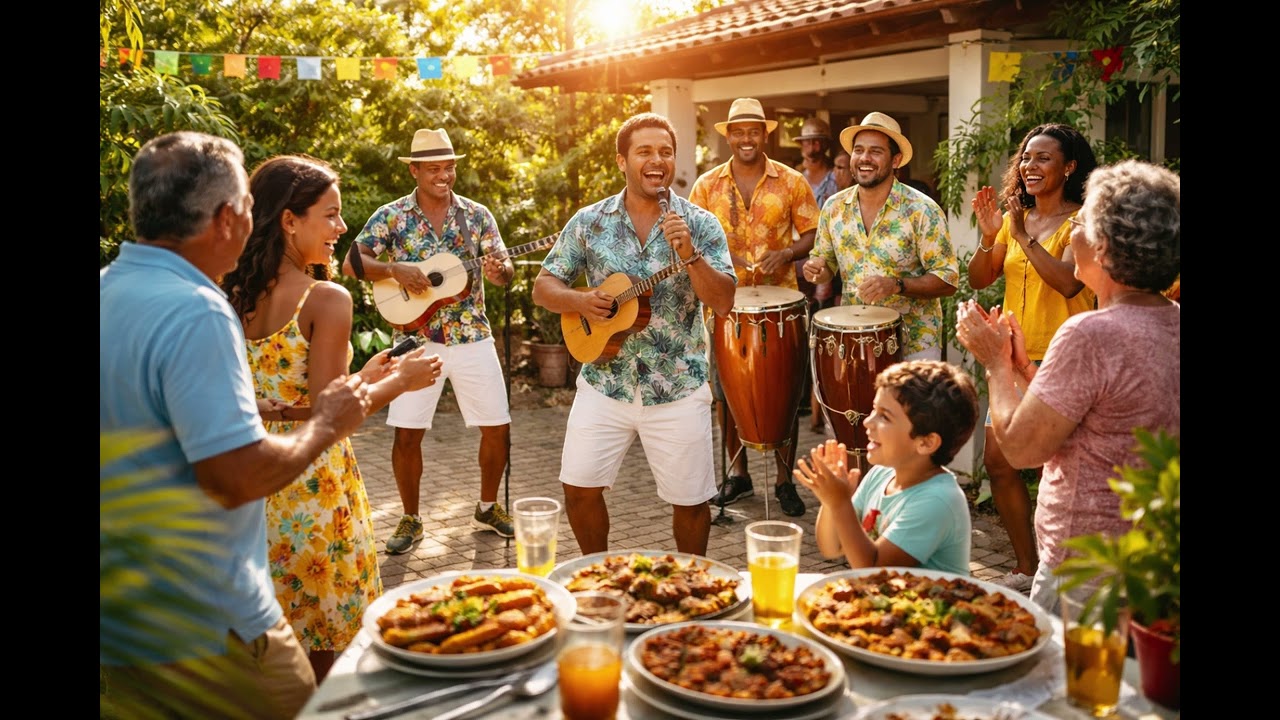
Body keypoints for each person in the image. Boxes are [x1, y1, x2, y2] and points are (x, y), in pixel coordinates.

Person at [100, 132, 373, 719]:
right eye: (249, 206)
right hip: (206, 615)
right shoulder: (197, 309)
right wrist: (327, 422)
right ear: (228, 219)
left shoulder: (108, 291)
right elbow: (237, 476)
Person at [220, 155, 444, 681]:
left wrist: (360, 375)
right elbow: (330, 417)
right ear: (289, 220)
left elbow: (284, 399)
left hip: (249, 483)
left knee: (265, 656)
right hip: (312, 488)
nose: (342, 228)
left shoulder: (230, 291)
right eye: (332, 215)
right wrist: (398, 382)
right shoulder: (326, 298)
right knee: (327, 658)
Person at [955, 158, 1180, 614]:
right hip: (1152, 560)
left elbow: (1020, 449)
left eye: (1082, 222)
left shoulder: (1090, 335)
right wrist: (1025, 373)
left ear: (1102, 247)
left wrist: (996, 363)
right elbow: (1100, 416)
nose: (1072, 230)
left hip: (1087, 569)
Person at [532, 112, 736, 555]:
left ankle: (691, 587)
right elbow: (544, 285)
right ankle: (597, 572)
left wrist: (691, 255)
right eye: (644, 151)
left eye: (665, 151)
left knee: (691, 501)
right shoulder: (589, 221)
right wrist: (580, 301)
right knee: (578, 489)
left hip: (677, 385)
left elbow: (723, 301)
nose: (656, 160)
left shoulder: (699, 224)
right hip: (606, 381)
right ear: (622, 160)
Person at [343, 128, 517, 554]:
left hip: (472, 333)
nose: (444, 175)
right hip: (416, 339)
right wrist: (394, 270)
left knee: (498, 427)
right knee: (407, 433)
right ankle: (410, 518)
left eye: (449, 167)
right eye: (434, 168)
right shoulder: (392, 216)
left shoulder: (476, 216)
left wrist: (499, 272)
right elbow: (350, 263)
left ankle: (488, 507)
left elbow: (505, 268)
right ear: (415, 170)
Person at [966, 123, 1099, 593]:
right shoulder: (1013, 218)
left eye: (1044, 158)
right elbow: (981, 278)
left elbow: (1069, 282)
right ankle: (1027, 565)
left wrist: (1021, 237)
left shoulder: (1082, 221)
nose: (1030, 166)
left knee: (1051, 470)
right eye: (1026, 158)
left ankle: (1059, 568)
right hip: (1011, 356)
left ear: (1069, 167)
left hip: (1061, 357)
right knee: (1000, 464)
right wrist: (990, 236)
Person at [688, 97, 820, 517]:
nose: (746, 138)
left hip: (780, 307)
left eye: (754, 131)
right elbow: (687, 241)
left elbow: (812, 234)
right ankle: (739, 475)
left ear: (766, 134)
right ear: (728, 136)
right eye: (738, 131)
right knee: (726, 393)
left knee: (785, 393)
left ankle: (784, 481)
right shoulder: (706, 186)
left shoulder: (792, 181)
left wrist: (785, 254)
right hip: (723, 307)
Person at [793, 360, 978, 575]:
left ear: (926, 442)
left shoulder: (937, 500)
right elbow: (831, 548)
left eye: (885, 416)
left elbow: (873, 570)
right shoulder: (882, 474)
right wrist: (830, 501)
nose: (867, 422)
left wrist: (841, 502)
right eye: (874, 410)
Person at [803, 111, 959, 363]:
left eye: (876, 151)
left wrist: (897, 285)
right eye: (859, 150)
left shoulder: (923, 210)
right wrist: (817, 269)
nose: (864, 158)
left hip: (914, 343)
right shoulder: (833, 207)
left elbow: (948, 280)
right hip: (856, 338)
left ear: (896, 160)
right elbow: (825, 265)